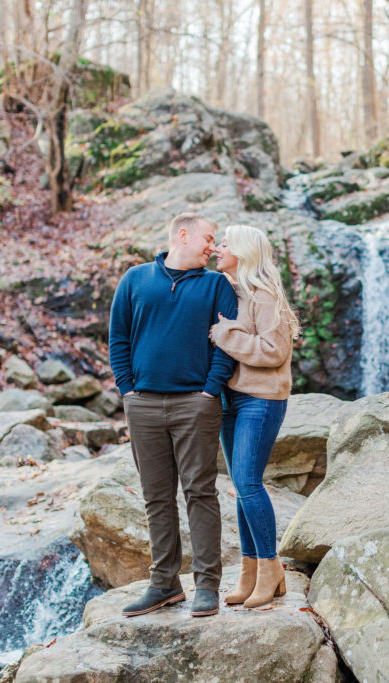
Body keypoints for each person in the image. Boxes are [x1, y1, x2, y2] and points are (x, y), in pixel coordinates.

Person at [108, 213, 238, 618]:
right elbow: (118, 338)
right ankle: (164, 584)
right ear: (183, 235)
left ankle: (206, 587)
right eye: (209, 238)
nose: (213, 248)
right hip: (143, 404)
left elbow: (228, 343)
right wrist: (127, 390)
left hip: (195, 404)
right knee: (156, 497)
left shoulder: (217, 284)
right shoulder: (135, 279)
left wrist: (209, 391)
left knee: (200, 493)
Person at [209, 224, 300, 608]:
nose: (217, 248)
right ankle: (249, 572)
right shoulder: (234, 292)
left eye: (225, 243)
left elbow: (273, 350)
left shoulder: (264, 295)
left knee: (248, 483)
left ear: (244, 252)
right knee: (240, 486)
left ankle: (270, 568)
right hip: (233, 399)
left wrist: (224, 334)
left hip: (260, 401)